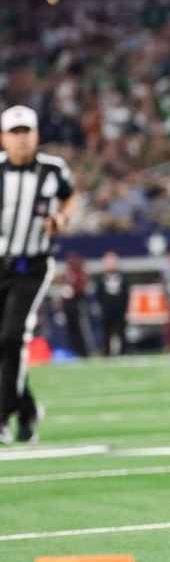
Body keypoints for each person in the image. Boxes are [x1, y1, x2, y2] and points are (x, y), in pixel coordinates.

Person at [0, 105, 74, 444]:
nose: (21, 139)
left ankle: (2, 415)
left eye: (26, 131)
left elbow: (69, 197)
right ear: (3, 138)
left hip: (33, 266)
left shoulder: (53, 169)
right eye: (14, 133)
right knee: (5, 344)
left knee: (12, 336)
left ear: (36, 135)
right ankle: (26, 410)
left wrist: (61, 219)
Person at [95, 251, 130, 356]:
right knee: (106, 331)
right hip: (107, 310)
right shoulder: (101, 278)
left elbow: (126, 293)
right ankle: (107, 352)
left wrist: (124, 306)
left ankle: (123, 352)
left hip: (119, 309)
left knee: (122, 330)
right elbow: (99, 294)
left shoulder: (123, 277)